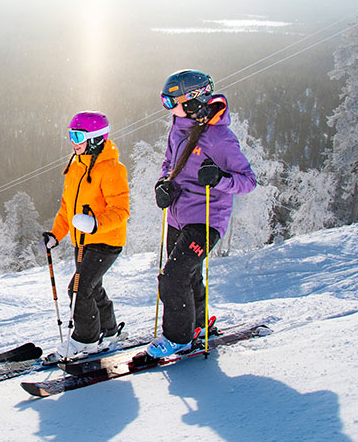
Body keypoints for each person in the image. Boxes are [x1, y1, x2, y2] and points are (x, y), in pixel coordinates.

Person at [147, 70, 256, 358]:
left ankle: (179, 338)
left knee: (172, 278)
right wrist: (163, 184)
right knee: (189, 276)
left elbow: (248, 181)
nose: (168, 109)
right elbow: (169, 162)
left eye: (172, 102)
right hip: (177, 215)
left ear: (194, 99)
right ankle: (197, 326)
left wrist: (219, 178)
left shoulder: (220, 139)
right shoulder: (179, 127)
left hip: (207, 220)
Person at [38, 111, 130, 361]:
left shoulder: (112, 168)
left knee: (78, 288)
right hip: (83, 243)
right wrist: (56, 235)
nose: (73, 141)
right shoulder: (75, 166)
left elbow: (121, 211)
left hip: (106, 241)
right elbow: (67, 208)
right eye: (70, 135)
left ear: (97, 138)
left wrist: (94, 223)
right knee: (92, 287)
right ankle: (110, 332)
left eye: (78, 136)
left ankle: (86, 341)